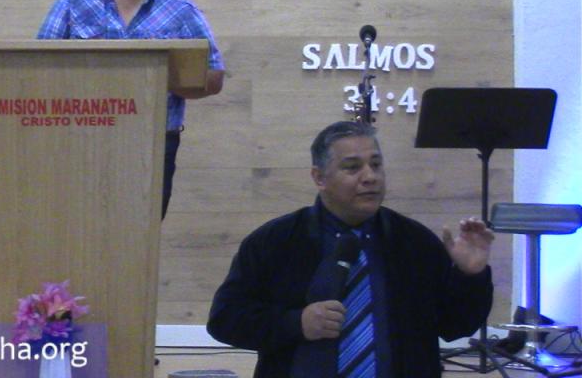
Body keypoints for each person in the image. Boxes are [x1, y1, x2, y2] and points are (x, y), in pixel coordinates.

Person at [207, 121, 494, 378]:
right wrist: (296, 323)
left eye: (376, 164)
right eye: (352, 167)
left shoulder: (414, 242)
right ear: (319, 178)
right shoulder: (275, 241)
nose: (370, 177)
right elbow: (225, 319)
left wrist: (470, 277)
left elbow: (455, 326)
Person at [37, 0, 225, 219]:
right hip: (79, 137)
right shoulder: (72, 4)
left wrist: (157, 74)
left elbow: (215, 76)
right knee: (75, 227)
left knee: (141, 232)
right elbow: (36, 70)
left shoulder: (181, 11)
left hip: (154, 142)